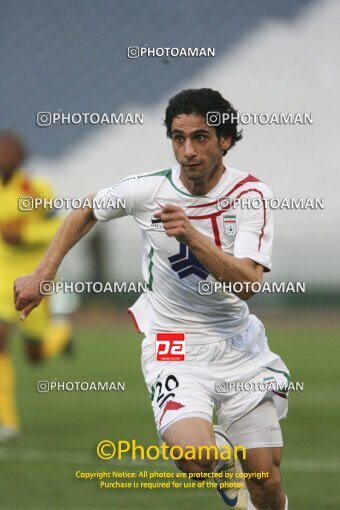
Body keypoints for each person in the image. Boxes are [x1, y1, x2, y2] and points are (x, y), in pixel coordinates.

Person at [13, 89, 289, 510]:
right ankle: (221, 465)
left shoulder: (251, 196)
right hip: (172, 343)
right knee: (194, 456)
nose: (188, 151)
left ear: (225, 140)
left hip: (237, 346)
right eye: (179, 138)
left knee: (266, 481)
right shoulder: (148, 189)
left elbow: (248, 282)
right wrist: (43, 273)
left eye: (201, 138)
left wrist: (192, 235)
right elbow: (87, 208)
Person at [0, 132, 73, 441]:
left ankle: (60, 334)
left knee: (35, 355)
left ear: (21, 156)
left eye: (9, 151)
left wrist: (25, 234)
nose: (3, 156)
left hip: (30, 279)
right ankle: (7, 421)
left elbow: (61, 226)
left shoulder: (34, 189)